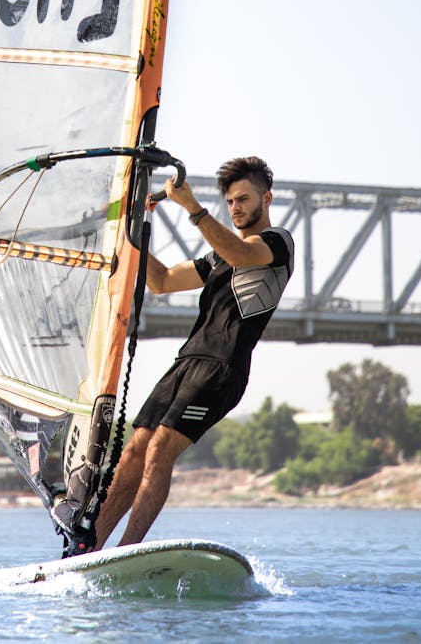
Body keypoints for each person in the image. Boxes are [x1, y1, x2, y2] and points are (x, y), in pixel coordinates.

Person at [93, 155, 294, 550]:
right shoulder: (220, 254)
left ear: (265, 199)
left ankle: (125, 551)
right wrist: (128, 233)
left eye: (243, 199)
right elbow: (162, 281)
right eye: (231, 202)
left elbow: (240, 253)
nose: (236, 207)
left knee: (161, 447)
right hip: (186, 363)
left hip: (222, 369)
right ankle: (90, 548)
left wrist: (191, 206)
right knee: (136, 448)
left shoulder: (277, 243)